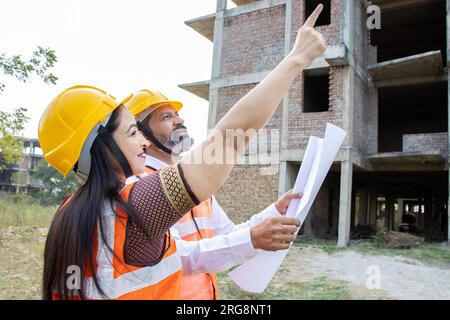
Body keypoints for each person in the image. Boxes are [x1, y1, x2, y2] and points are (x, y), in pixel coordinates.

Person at [39, 4, 326, 300]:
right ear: (100, 147)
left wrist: (263, 223)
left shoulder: (70, 211)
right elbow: (228, 140)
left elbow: (195, 250)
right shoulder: (134, 206)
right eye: (132, 132)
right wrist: (297, 59)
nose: (141, 143)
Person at [123, 89, 302, 300]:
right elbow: (177, 256)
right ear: (142, 134)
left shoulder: (194, 182)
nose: (179, 120)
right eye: (166, 116)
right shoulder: (137, 185)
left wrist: (274, 211)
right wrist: (251, 240)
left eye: (177, 114)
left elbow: (228, 234)